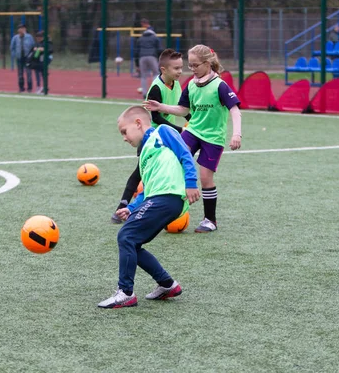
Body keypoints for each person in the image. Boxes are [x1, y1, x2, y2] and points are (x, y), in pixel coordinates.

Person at [98, 106, 199, 309]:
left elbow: (185, 154)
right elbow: (147, 189)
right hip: (158, 198)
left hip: (169, 196)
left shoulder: (162, 132)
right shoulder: (144, 154)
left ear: (138, 123)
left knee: (126, 236)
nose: (124, 138)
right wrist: (132, 207)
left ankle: (125, 292)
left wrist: (190, 182)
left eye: (124, 132)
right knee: (132, 242)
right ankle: (167, 284)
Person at [145, 44, 242, 233]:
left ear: (207, 63)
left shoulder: (219, 85)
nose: (192, 69)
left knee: (205, 178)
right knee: (174, 163)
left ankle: (210, 220)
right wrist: (161, 107)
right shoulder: (191, 84)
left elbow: (235, 110)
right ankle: (163, 209)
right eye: (190, 65)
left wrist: (236, 133)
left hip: (213, 137)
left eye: (195, 65)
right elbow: (183, 110)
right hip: (193, 131)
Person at [111, 48, 188, 224]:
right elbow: (157, 118)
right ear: (163, 69)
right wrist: (180, 130)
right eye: (176, 68)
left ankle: (165, 204)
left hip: (167, 137)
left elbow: (181, 108)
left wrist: (192, 122)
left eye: (181, 67)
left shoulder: (176, 84)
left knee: (169, 170)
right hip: (150, 138)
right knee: (141, 173)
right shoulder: (156, 88)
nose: (180, 71)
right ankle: (123, 208)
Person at [134, 18, 161, 97]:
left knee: (143, 75)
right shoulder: (155, 38)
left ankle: (144, 93)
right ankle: (153, 92)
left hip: (142, 57)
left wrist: (137, 64)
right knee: (156, 73)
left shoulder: (140, 39)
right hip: (152, 56)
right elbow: (159, 49)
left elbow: (136, 52)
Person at [10, 24, 35, 92]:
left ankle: (29, 88)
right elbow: (12, 48)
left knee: (28, 73)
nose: (21, 30)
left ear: (25, 29)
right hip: (19, 58)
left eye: (23, 28)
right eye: (20, 28)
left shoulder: (29, 37)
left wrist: (31, 56)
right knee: (20, 74)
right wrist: (15, 55)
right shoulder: (15, 38)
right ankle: (21, 88)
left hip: (28, 58)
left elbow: (33, 46)